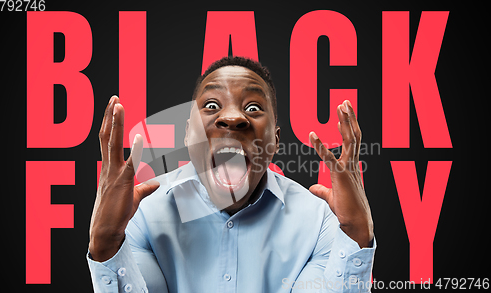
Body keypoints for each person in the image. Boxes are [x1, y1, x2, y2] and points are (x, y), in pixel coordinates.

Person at [87, 57, 376, 292]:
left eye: (253, 107)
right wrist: (107, 243)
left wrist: (356, 234)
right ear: (189, 133)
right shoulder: (143, 214)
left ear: (275, 141)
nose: (233, 118)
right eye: (212, 106)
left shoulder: (318, 221)